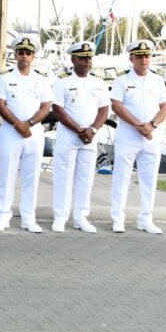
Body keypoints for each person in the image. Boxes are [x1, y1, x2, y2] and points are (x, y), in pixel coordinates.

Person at [0, 36, 52, 233]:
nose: (24, 56)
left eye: (28, 53)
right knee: (7, 176)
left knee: (31, 176)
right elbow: (0, 104)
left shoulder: (41, 79)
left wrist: (30, 123)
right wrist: (18, 124)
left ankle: (28, 218)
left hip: (34, 133)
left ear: (33, 56)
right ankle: (3, 216)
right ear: (15, 55)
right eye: (21, 53)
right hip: (11, 132)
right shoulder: (5, 78)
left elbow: (46, 106)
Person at [110, 39, 166, 234]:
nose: (144, 59)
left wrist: (151, 125)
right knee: (122, 178)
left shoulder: (158, 80)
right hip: (128, 136)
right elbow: (117, 106)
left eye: (147, 56)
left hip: (151, 136)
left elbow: (165, 107)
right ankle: (118, 218)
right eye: (140, 56)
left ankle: (145, 219)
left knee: (149, 178)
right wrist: (138, 125)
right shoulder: (122, 80)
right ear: (131, 58)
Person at [50, 41, 109, 233]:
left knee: (86, 178)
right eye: (83, 58)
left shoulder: (98, 82)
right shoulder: (63, 80)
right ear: (73, 59)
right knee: (63, 178)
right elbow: (57, 109)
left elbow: (104, 110)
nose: (87, 61)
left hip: (90, 137)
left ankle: (81, 217)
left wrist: (92, 129)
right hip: (69, 136)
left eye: (89, 58)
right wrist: (79, 130)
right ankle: (60, 217)